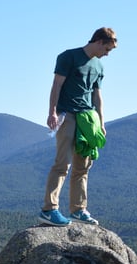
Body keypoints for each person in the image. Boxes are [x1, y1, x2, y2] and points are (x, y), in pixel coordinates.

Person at [38, 27, 117, 227]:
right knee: (62, 163)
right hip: (68, 115)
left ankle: (78, 209)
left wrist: (101, 121)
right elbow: (56, 85)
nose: (107, 54)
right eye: (107, 49)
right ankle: (49, 209)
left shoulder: (99, 66)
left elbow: (97, 95)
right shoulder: (68, 57)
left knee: (83, 165)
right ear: (99, 41)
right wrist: (52, 112)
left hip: (88, 118)